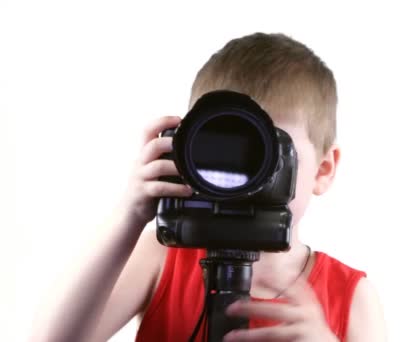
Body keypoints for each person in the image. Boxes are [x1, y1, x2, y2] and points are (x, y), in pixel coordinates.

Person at [33, 32, 386, 342]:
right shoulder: (162, 255)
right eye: (226, 150)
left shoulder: (352, 300)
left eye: (268, 154)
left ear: (323, 170)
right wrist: (131, 215)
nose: (246, 177)